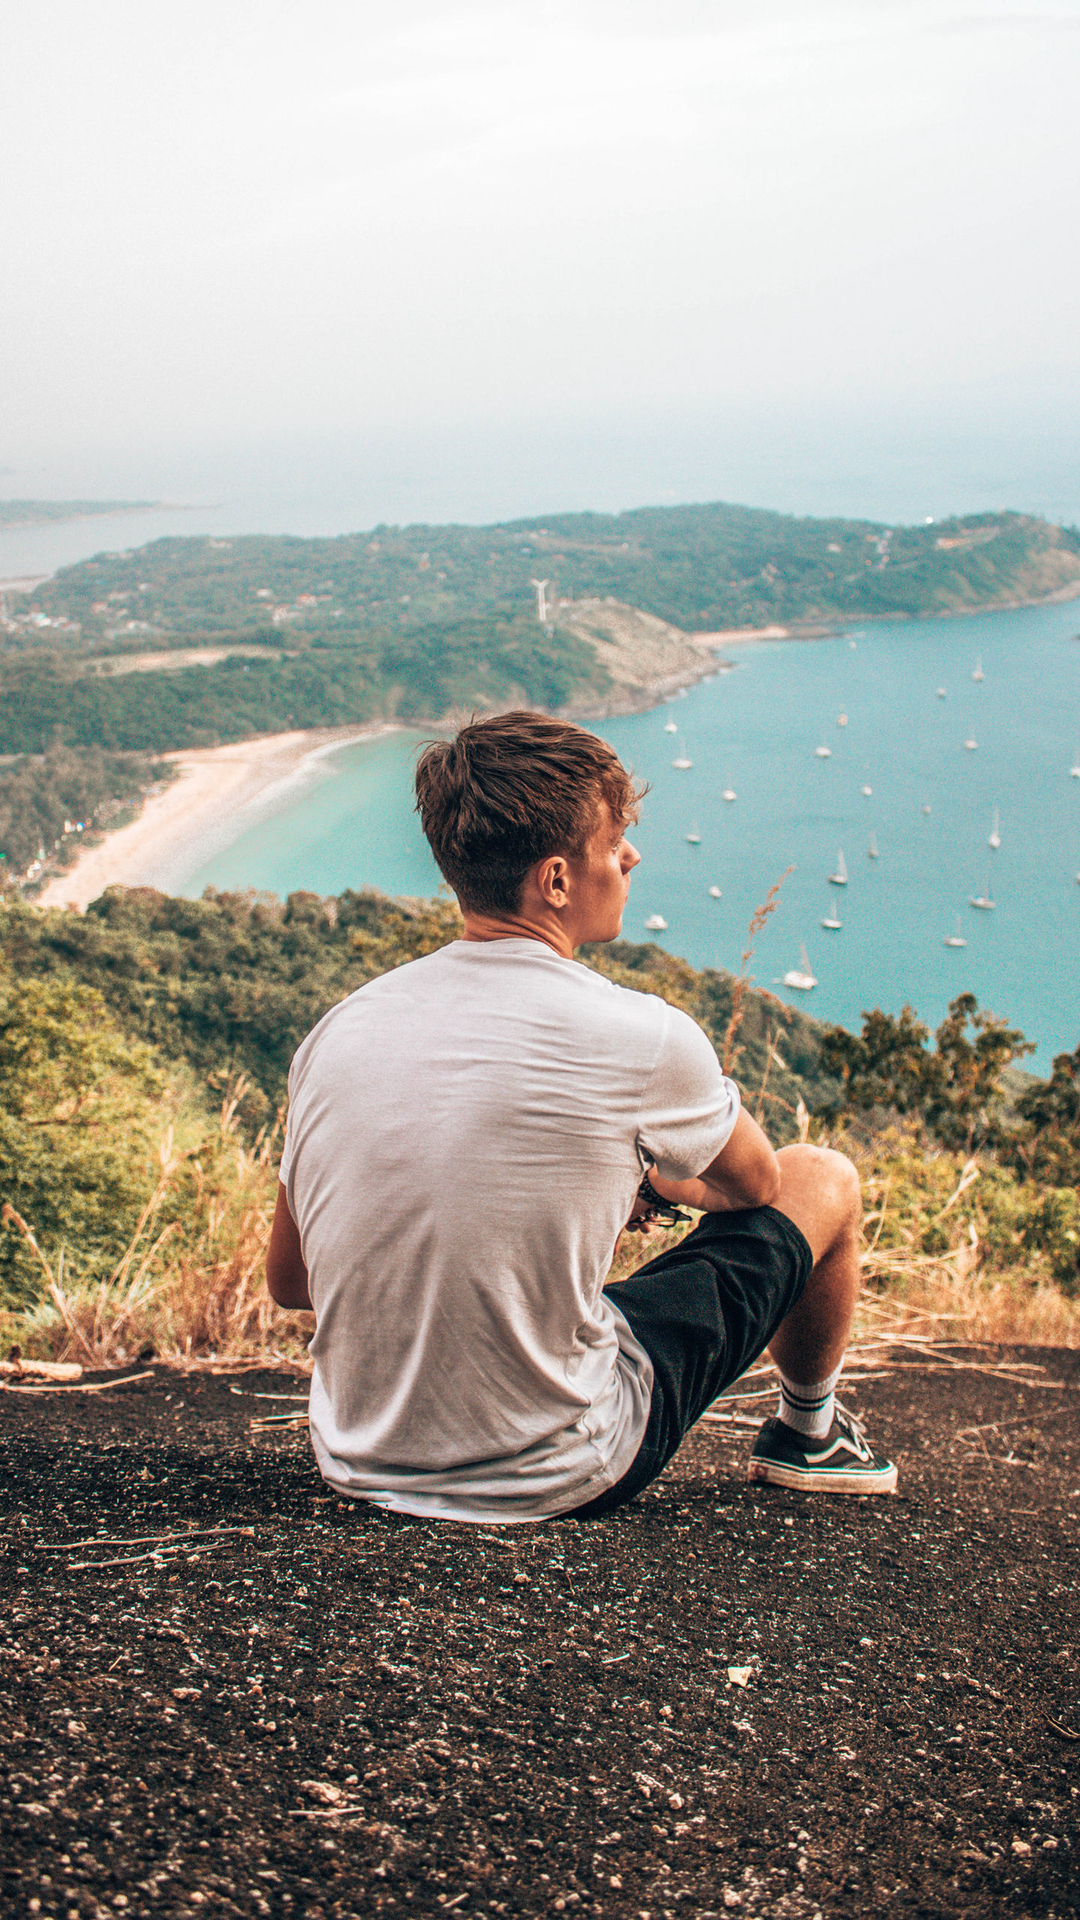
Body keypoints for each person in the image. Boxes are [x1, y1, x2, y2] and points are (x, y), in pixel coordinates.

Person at [266, 711, 896, 1521]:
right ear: (557, 881)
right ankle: (809, 1436)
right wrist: (657, 1184)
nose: (631, 856)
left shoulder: (337, 1030)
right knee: (822, 1177)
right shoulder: (642, 1035)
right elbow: (754, 1187)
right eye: (614, 841)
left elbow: (290, 1283)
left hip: (355, 1454)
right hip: (561, 1463)